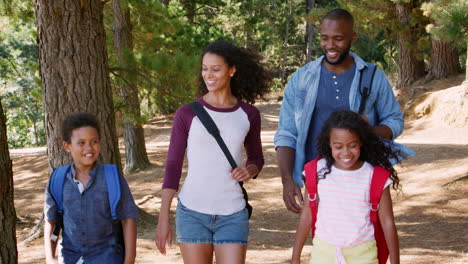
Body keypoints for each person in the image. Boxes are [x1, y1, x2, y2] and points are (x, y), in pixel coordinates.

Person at [274, 8, 412, 214]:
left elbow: (394, 120)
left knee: (365, 239)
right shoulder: (301, 78)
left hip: (363, 178)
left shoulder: (372, 76)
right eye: (324, 38)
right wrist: (288, 181)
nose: (330, 45)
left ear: (352, 37)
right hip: (317, 179)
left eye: (338, 39)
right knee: (325, 240)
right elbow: (286, 133)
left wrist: (366, 131)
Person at [154, 40, 272, 263]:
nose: (208, 74)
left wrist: (250, 170)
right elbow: (172, 166)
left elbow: (256, 158)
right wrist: (163, 218)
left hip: (233, 213)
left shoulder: (248, 114)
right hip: (192, 212)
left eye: (216, 69)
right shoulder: (186, 113)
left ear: (232, 70)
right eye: (205, 68)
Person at [292, 110, 400, 264]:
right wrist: (295, 257)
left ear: (361, 142)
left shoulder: (375, 177)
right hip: (323, 254)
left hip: (363, 255)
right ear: (329, 143)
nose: (346, 152)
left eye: (352, 145)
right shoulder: (316, 171)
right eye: (338, 146)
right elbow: (306, 215)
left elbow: (388, 222)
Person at [44, 112, 138, 264]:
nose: (89, 148)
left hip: (108, 257)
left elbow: (128, 219)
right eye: (81, 143)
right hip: (70, 258)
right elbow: (51, 221)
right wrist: (50, 258)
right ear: (67, 146)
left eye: (94, 141)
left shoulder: (112, 177)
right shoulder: (58, 179)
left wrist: (129, 260)